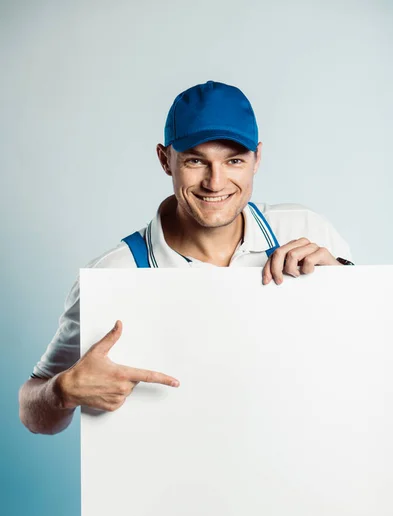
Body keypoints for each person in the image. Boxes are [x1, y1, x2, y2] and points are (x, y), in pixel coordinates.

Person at [19, 80, 353, 435]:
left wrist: (346, 286)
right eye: (196, 160)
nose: (215, 181)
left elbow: (368, 362)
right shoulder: (115, 274)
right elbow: (32, 411)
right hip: (170, 484)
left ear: (257, 159)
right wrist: (60, 392)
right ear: (166, 160)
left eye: (234, 160)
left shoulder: (307, 230)